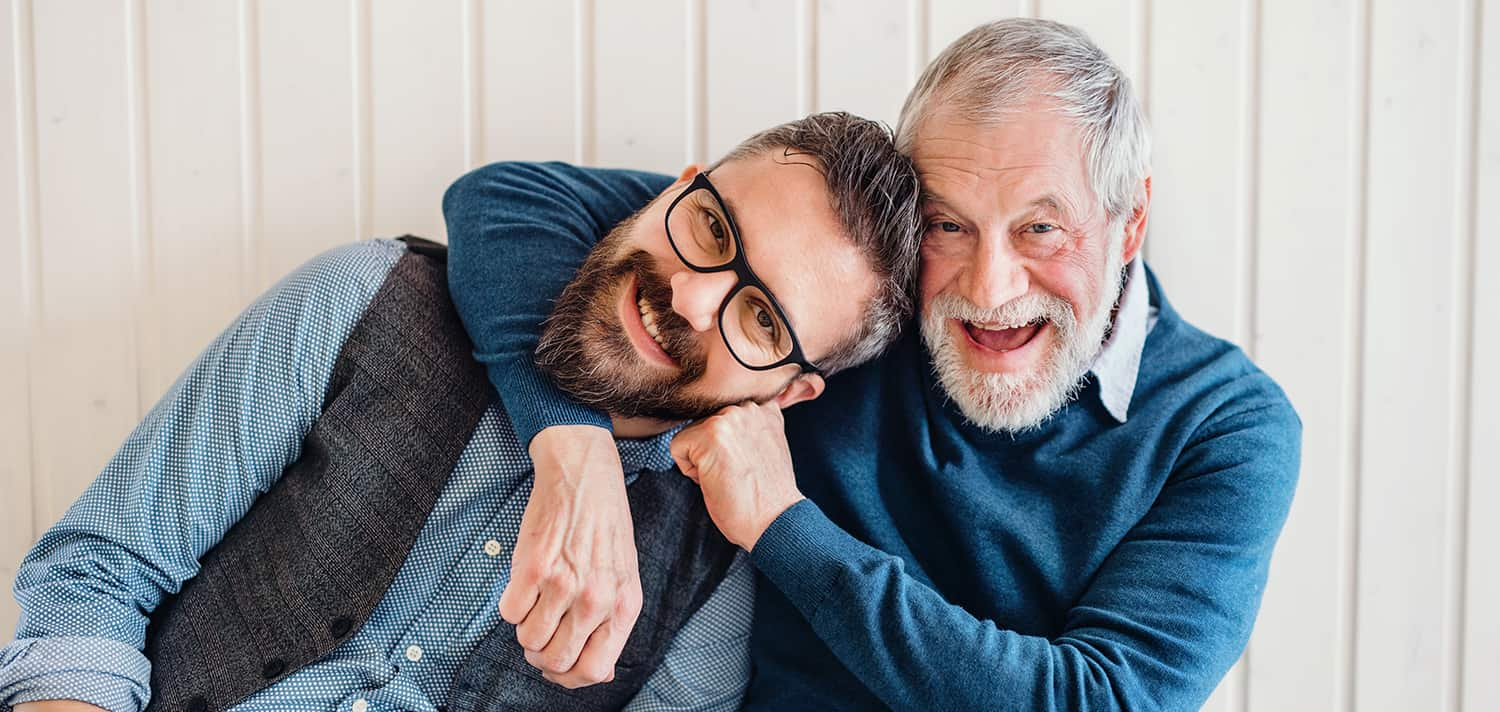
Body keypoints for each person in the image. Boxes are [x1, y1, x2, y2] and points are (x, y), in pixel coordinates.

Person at [444, 18, 1301, 711]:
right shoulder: (858, 297)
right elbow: (510, 202)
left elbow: (1102, 700)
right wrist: (575, 449)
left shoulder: (1226, 429)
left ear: (1130, 221)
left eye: (1041, 229)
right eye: (947, 225)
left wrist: (783, 525)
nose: (989, 288)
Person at [0, 112, 922, 712]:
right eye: (713, 228)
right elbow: (100, 574)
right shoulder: (363, 300)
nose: (689, 296)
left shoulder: (711, 577)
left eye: (759, 317)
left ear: (789, 392)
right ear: (675, 186)